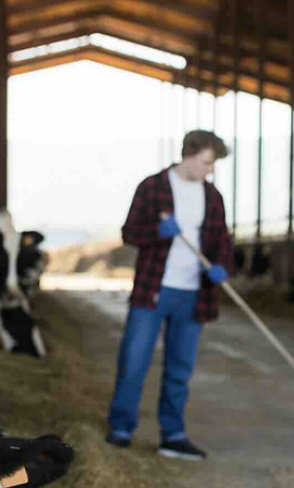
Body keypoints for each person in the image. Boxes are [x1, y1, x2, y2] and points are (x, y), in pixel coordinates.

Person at [106, 129, 234, 461]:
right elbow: (129, 233)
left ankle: (173, 436)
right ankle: (121, 427)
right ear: (189, 154)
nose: (210, 169)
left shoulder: (213, 196)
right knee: (134, 360)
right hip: (153, 290)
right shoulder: (153, 186)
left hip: (194, 294)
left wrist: (221, 266)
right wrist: (157, 232)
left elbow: (222, 240)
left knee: (180, 368)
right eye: (207, 162)